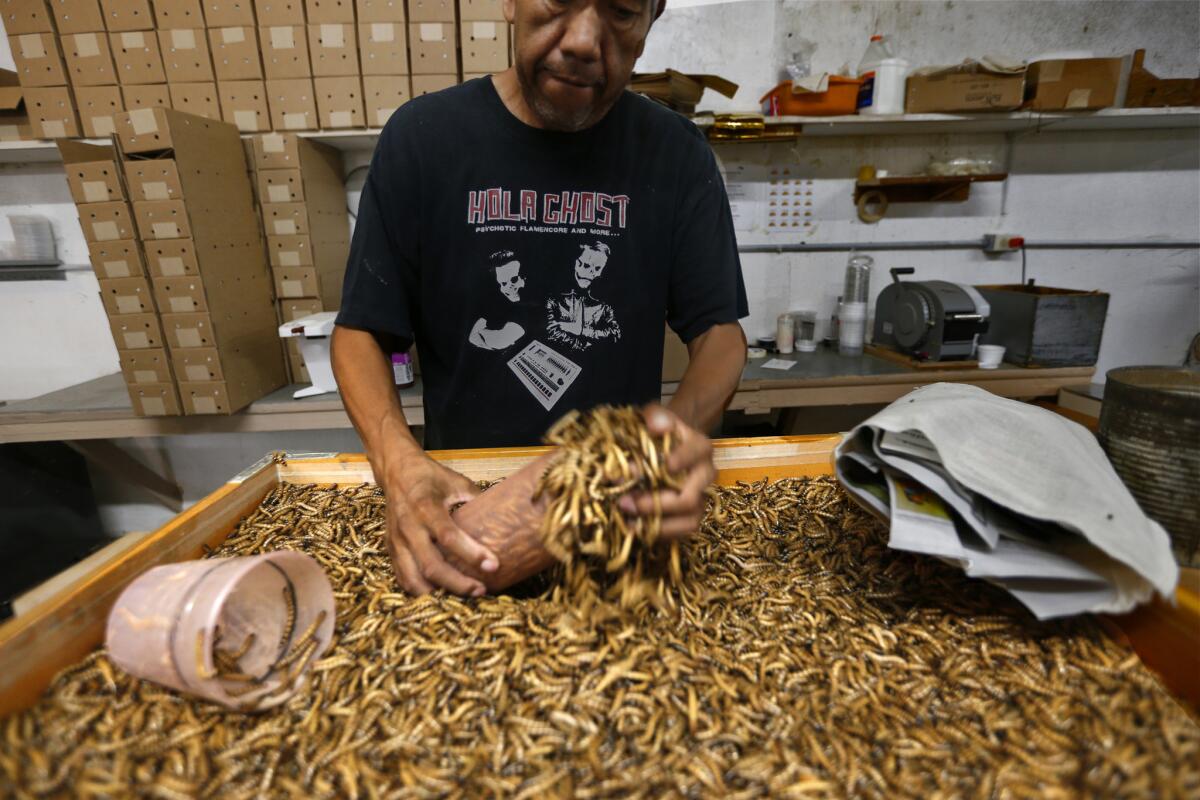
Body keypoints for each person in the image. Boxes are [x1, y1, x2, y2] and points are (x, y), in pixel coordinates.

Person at [331, 0, 748, 597]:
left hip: (617, 508)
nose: (582, 39)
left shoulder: (676, 153)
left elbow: (719, 335)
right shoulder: (423, 139)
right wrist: (395, 460)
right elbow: (361, 330)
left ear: (652, 19)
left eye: (623, 10)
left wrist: (666, 445)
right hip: (466, 505)